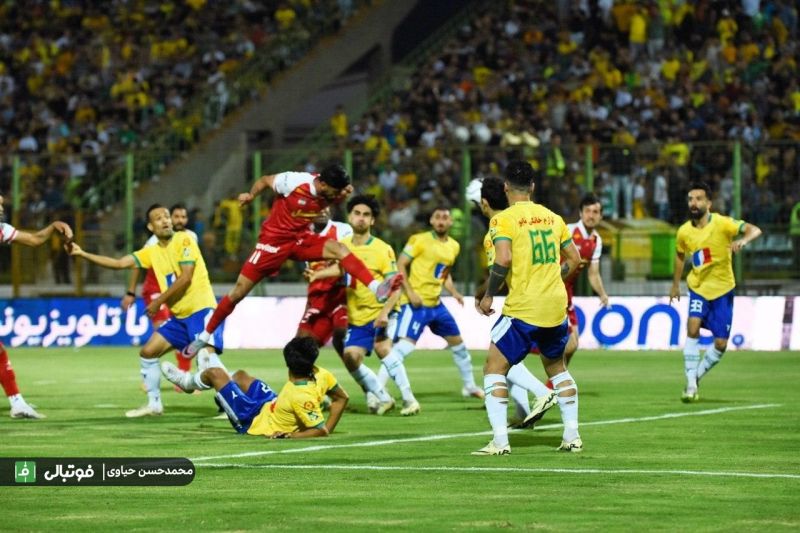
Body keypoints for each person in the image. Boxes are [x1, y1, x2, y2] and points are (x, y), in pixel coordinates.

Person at [184, 164, 403, 357]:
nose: (337, 196)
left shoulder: (333, 190)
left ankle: (376, 288)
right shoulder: (294, 182)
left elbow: (344, 191)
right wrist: (251, 195)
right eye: (336, 191)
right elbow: (265, 180)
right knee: (238, 293)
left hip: (300, 240)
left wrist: (346, 190)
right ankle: (205, 335)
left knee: (340, 250)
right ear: (323, 184)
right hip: (272, 243)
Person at [68, 203, 228, 418]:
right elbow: (119, 263)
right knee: (148, 352)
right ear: (151, 227)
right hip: (180, 317)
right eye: (159, 218)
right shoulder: (151, 252)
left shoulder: (185, 239)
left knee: (206, 361)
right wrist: (82, 253)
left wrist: (158, 302)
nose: (166, 220)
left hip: (201, 310)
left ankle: (233, 404)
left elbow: (186, 277)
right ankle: (154, 405)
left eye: (167, 216)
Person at [474, 161, 582, 455]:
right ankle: (572, 436)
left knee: (494, 367)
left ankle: (500, 441)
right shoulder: (554, 218)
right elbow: (574, 260)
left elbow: (503, 259)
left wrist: (488, 296)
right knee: (556, 368)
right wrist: (554, 280)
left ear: (506, 187)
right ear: (533, 187)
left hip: (523, 307)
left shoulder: (503, 220)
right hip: (555, 306)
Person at [308, 195, 419, 416]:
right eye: (357, 213)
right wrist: (317, 274)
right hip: (357, 316)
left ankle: (409, 400)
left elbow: (394, 286)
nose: (361, 218)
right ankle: (383, 397)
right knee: (350, 357)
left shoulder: (382, 249)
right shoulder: (343, 246)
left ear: (372, 221)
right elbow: (341, 270)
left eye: (366, 215)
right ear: (349, 217)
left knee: (382, 348)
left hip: (382, 312)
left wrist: (385, 313)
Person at [472, 177, 558, 429]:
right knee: (509, 358)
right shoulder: (526, 220)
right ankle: (524, 414)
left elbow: (499, 269)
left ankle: (542, 392)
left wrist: (483, 293)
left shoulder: (497, 228)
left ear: (484, 203)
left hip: (523, 303)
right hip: (549, 297)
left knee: (495, 360)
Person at [669, 181, 762, 403]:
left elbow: (755, 230)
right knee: (692, 326)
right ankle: (690, 384)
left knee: (720, 343)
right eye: (690, 199)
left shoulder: (722, 224)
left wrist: (743, 240)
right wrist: (675, 284)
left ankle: (696, 377)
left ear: (709, 203)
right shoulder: (684, 231)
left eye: (699, 199)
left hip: (723, 291)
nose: (693, 203)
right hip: (698, 288)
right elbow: (680, 255)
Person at [384, 206, 483, 399]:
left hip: (437, 305)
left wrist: (454, 292)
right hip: (416, 304)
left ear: (450, 222)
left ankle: (469, 386)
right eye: (437, 217)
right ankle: (379, 388)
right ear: (431, 221)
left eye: (445, 217)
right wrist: (410, 292)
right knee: (403, 348)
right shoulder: (418, 240)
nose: (441, 221)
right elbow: (400, 264)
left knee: (459, 346)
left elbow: (443, 272)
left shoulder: (454, 246)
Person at [161, 336, 348, 438]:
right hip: (270, 404)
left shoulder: (301, 396)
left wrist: (292, 436)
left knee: (215, 373)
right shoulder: (322, 374)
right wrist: (329, 429)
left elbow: (319, 430)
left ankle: (189, 383)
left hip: (253, 421)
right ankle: (206, 375)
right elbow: (342, 398)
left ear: (288, 363)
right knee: (240, 376)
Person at [0, 193, 73, 419]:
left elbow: (34, 240)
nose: (1, 208)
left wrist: (53, 226)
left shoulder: (1, 229)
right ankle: (17, 403)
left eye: (2, 204)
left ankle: (17, 402)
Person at [122, 203, 199, 381]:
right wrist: (131, 292)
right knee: (165, 331)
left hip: (177, 289)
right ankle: (151, 377)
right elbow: (137, 263)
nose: (180, 220)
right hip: (155, 288)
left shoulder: (190, 237)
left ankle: (183, 375)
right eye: (176, 216)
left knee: (185, 333)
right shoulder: (154, 241)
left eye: (183, 217)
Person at [296, 207, 352, 357]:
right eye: (317, 207)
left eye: (325, 206)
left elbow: (348, 264)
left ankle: (359, 366)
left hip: (340, 295)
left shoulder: (343, 231)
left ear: (331, 208)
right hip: (317, 298)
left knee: (342, 336)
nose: (321, 211)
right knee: (299, 349)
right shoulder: (302, 234)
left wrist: (318, 274)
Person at [562, 193, 610, 366]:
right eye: (587, 211)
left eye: (595, 212)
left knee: (573, 344)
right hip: (553, 289)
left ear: (601, 216)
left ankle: (556, 380)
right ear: (581, 213)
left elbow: (593, 273)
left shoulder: (596, 241)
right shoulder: (568, 231)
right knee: (570, 343)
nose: (591, 215)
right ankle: (555, 379)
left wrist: (602, 294)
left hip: (567, 292)